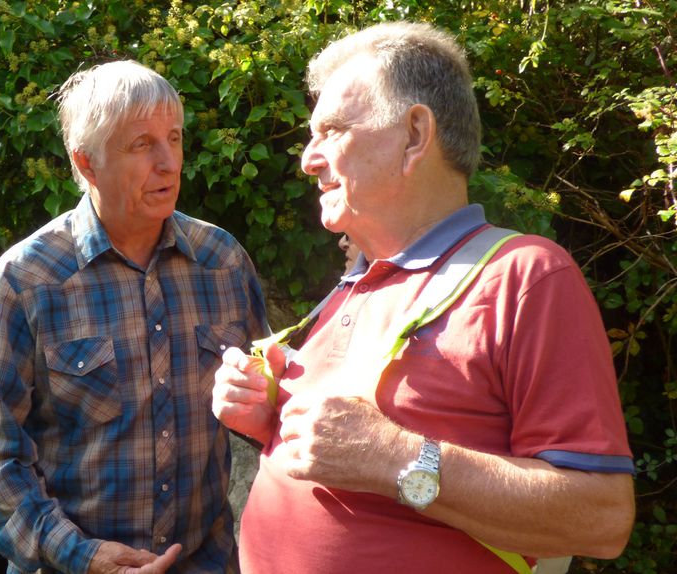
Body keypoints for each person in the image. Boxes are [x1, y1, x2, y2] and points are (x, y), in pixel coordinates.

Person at [212, 21, 635, 573]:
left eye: (332, 130)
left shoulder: (525, 276)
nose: (308, 160)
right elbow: (341, 449)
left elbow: (601, 518)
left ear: (414, 135)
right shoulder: (355, 280)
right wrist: (266, 416)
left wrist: (393, 455)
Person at [0, 60, 269, 574]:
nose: (169, 162)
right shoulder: (28, 279)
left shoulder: (223, 262)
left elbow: (271, 413)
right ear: (87, 164)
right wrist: (85, 557)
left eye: (174, 138)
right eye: (142, 144)